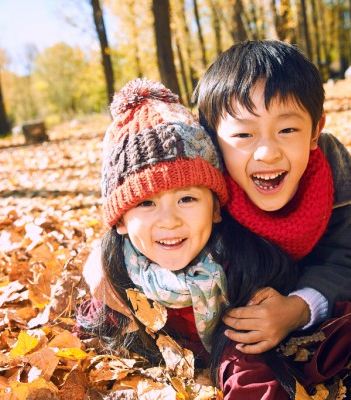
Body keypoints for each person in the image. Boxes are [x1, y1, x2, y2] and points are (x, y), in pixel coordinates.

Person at [77, 78, 298, 399]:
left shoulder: (241, 273)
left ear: (216, 209)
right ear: (121, 220)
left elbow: (251, 369)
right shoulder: (116, 286)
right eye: (146, 203)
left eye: (187, 199)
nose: (169, 221)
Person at [193, 39, 351, 390]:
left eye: (287, 130)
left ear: (315, 130)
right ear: (213, 139)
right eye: (243, 134)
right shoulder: (203, 187)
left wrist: (298, 308)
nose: (267, 152)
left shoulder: (326, 175)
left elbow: (342, 260)